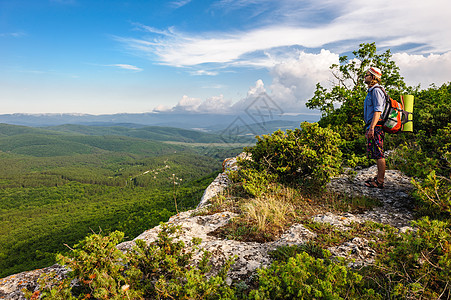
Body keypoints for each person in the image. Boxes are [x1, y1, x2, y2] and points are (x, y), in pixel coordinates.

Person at [363, 67, 386, 189]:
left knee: (379, 153)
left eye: (367, 75)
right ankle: (378, 178)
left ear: (373, 77)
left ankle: (380, 181)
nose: (365, 77)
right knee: (376, 153)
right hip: (373, 126)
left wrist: (371, 128)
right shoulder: (372, 91)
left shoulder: (376, 91)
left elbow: (378, 111)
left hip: (376, 126)